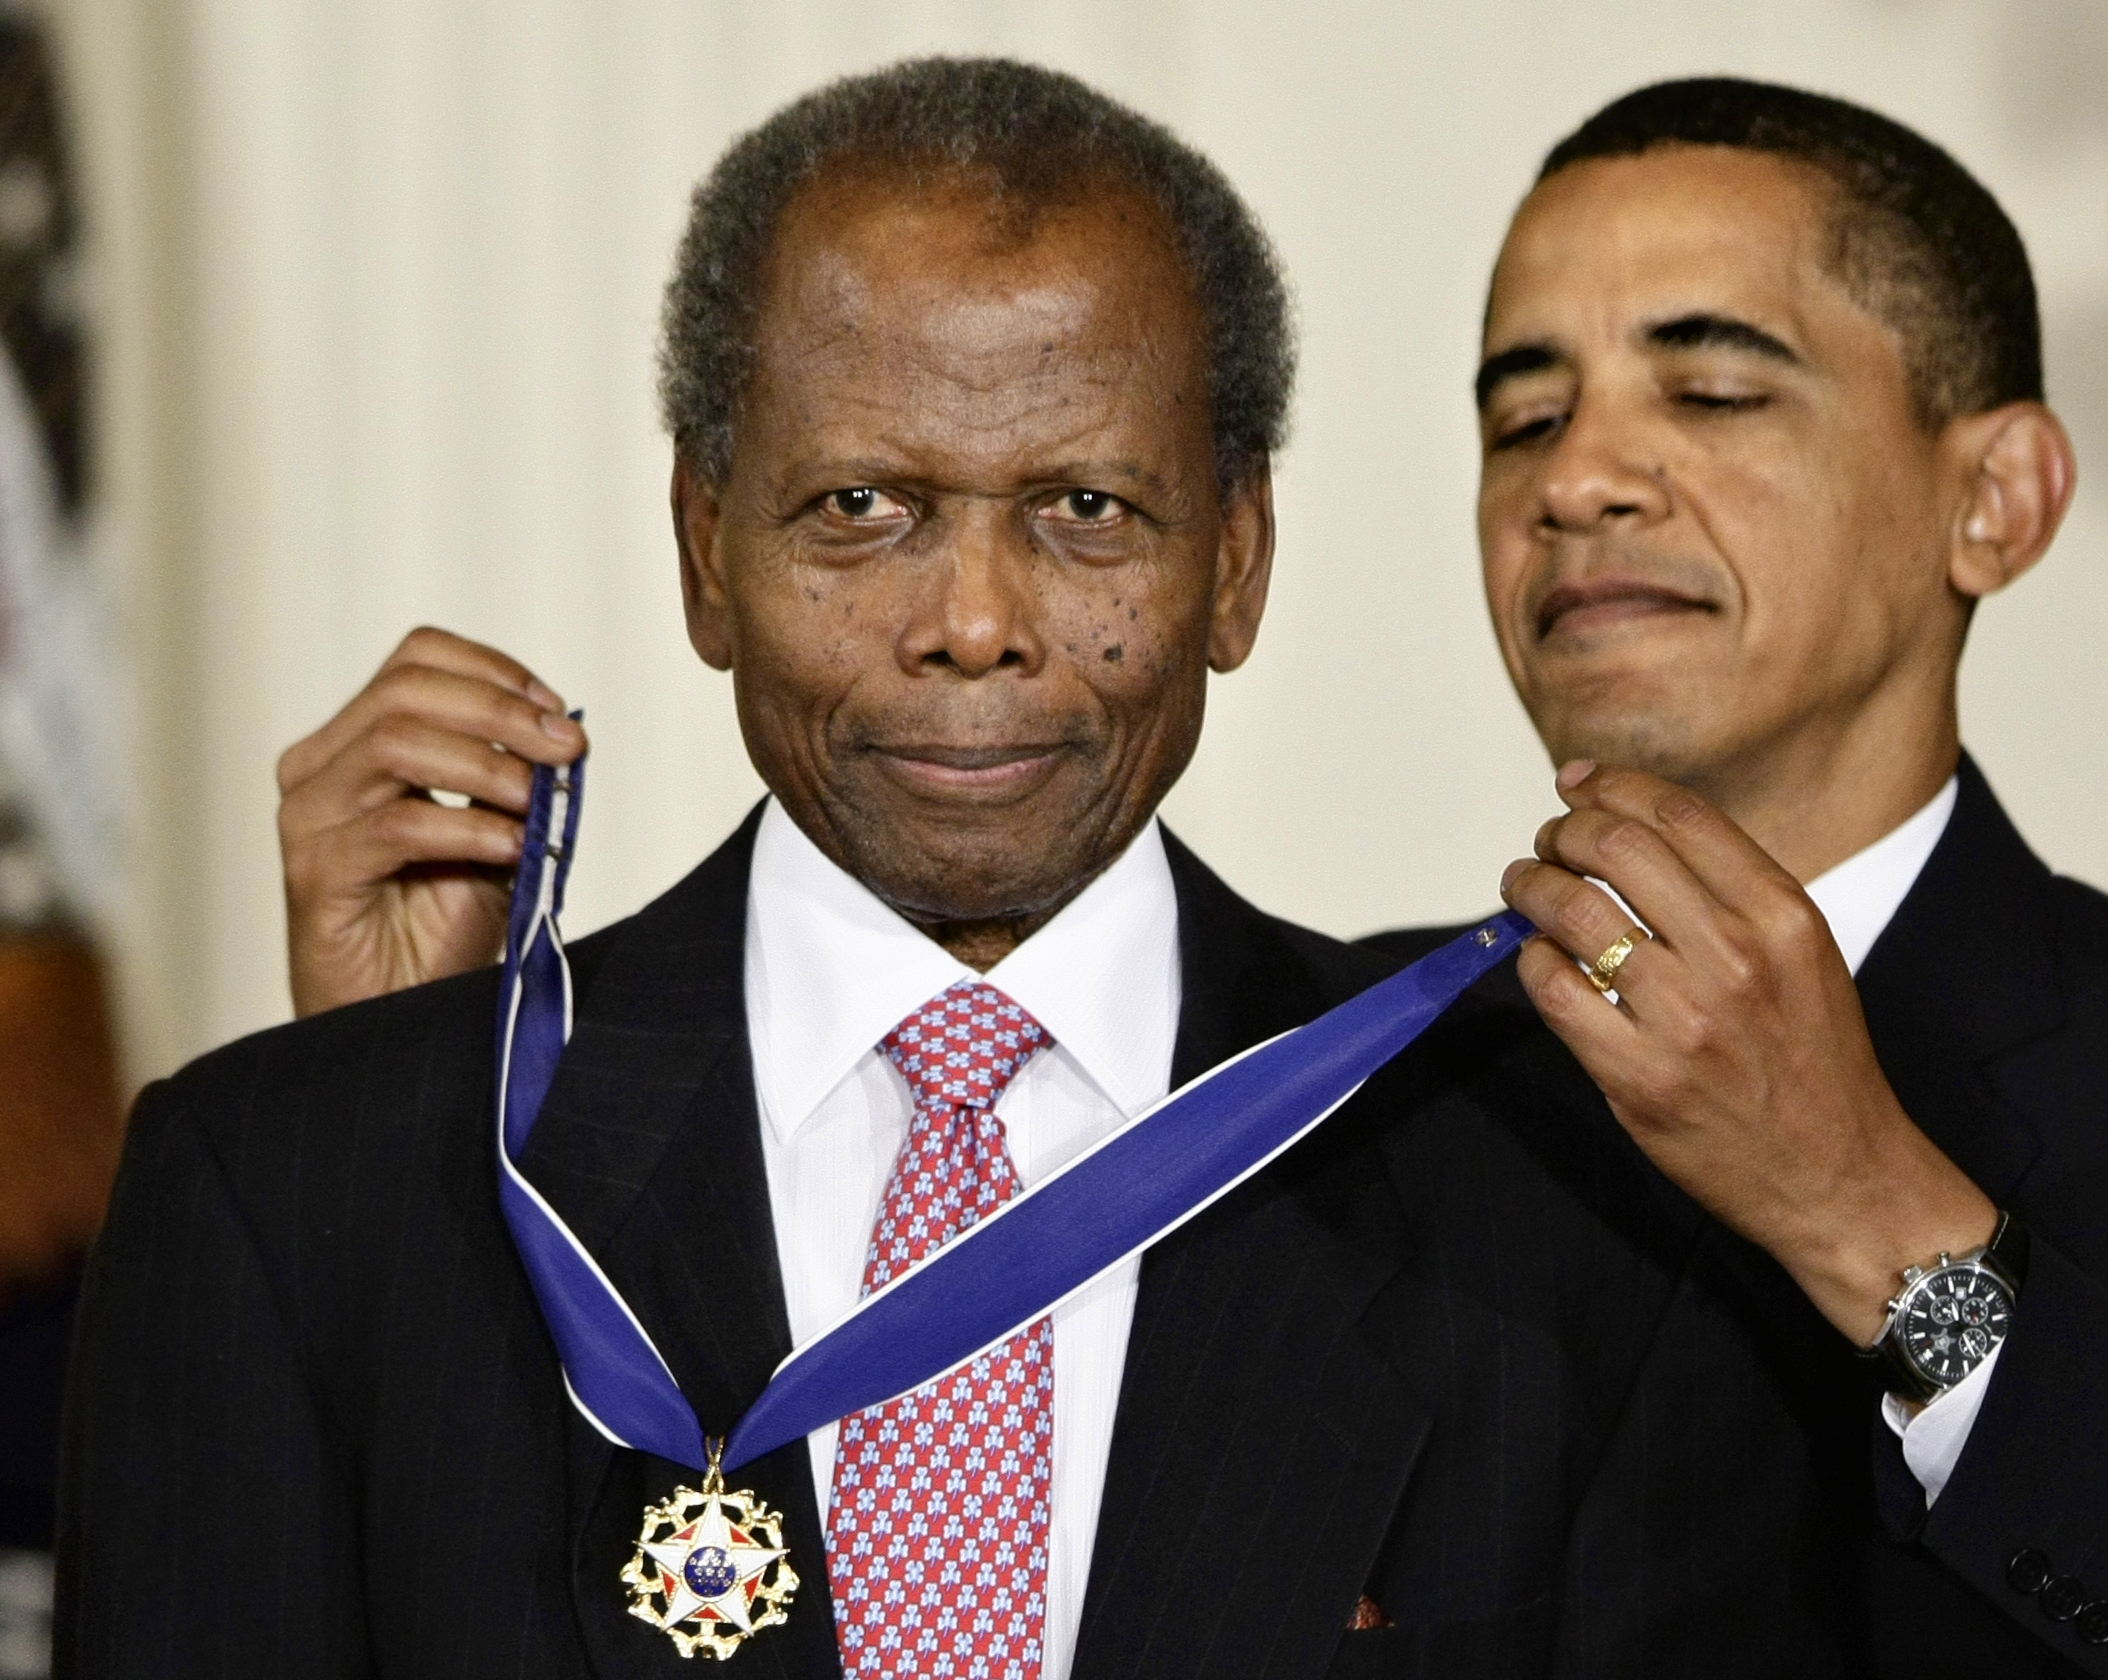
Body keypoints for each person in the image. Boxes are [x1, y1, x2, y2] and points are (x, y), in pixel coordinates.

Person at [59, 60, 1743, 1678]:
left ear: (1237, 562)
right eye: (862, 504)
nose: (974, 625)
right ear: (703, 548)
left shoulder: (1537, 1182)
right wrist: (417, 1148)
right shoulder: (290, 1189)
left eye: (1087, 506)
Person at [1370, 79, 2107, 1674]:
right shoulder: (1324, 1078)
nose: (1579, 481)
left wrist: (1876, 1219)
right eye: (1524, 418)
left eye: (1706, 390)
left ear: (1994, 500)